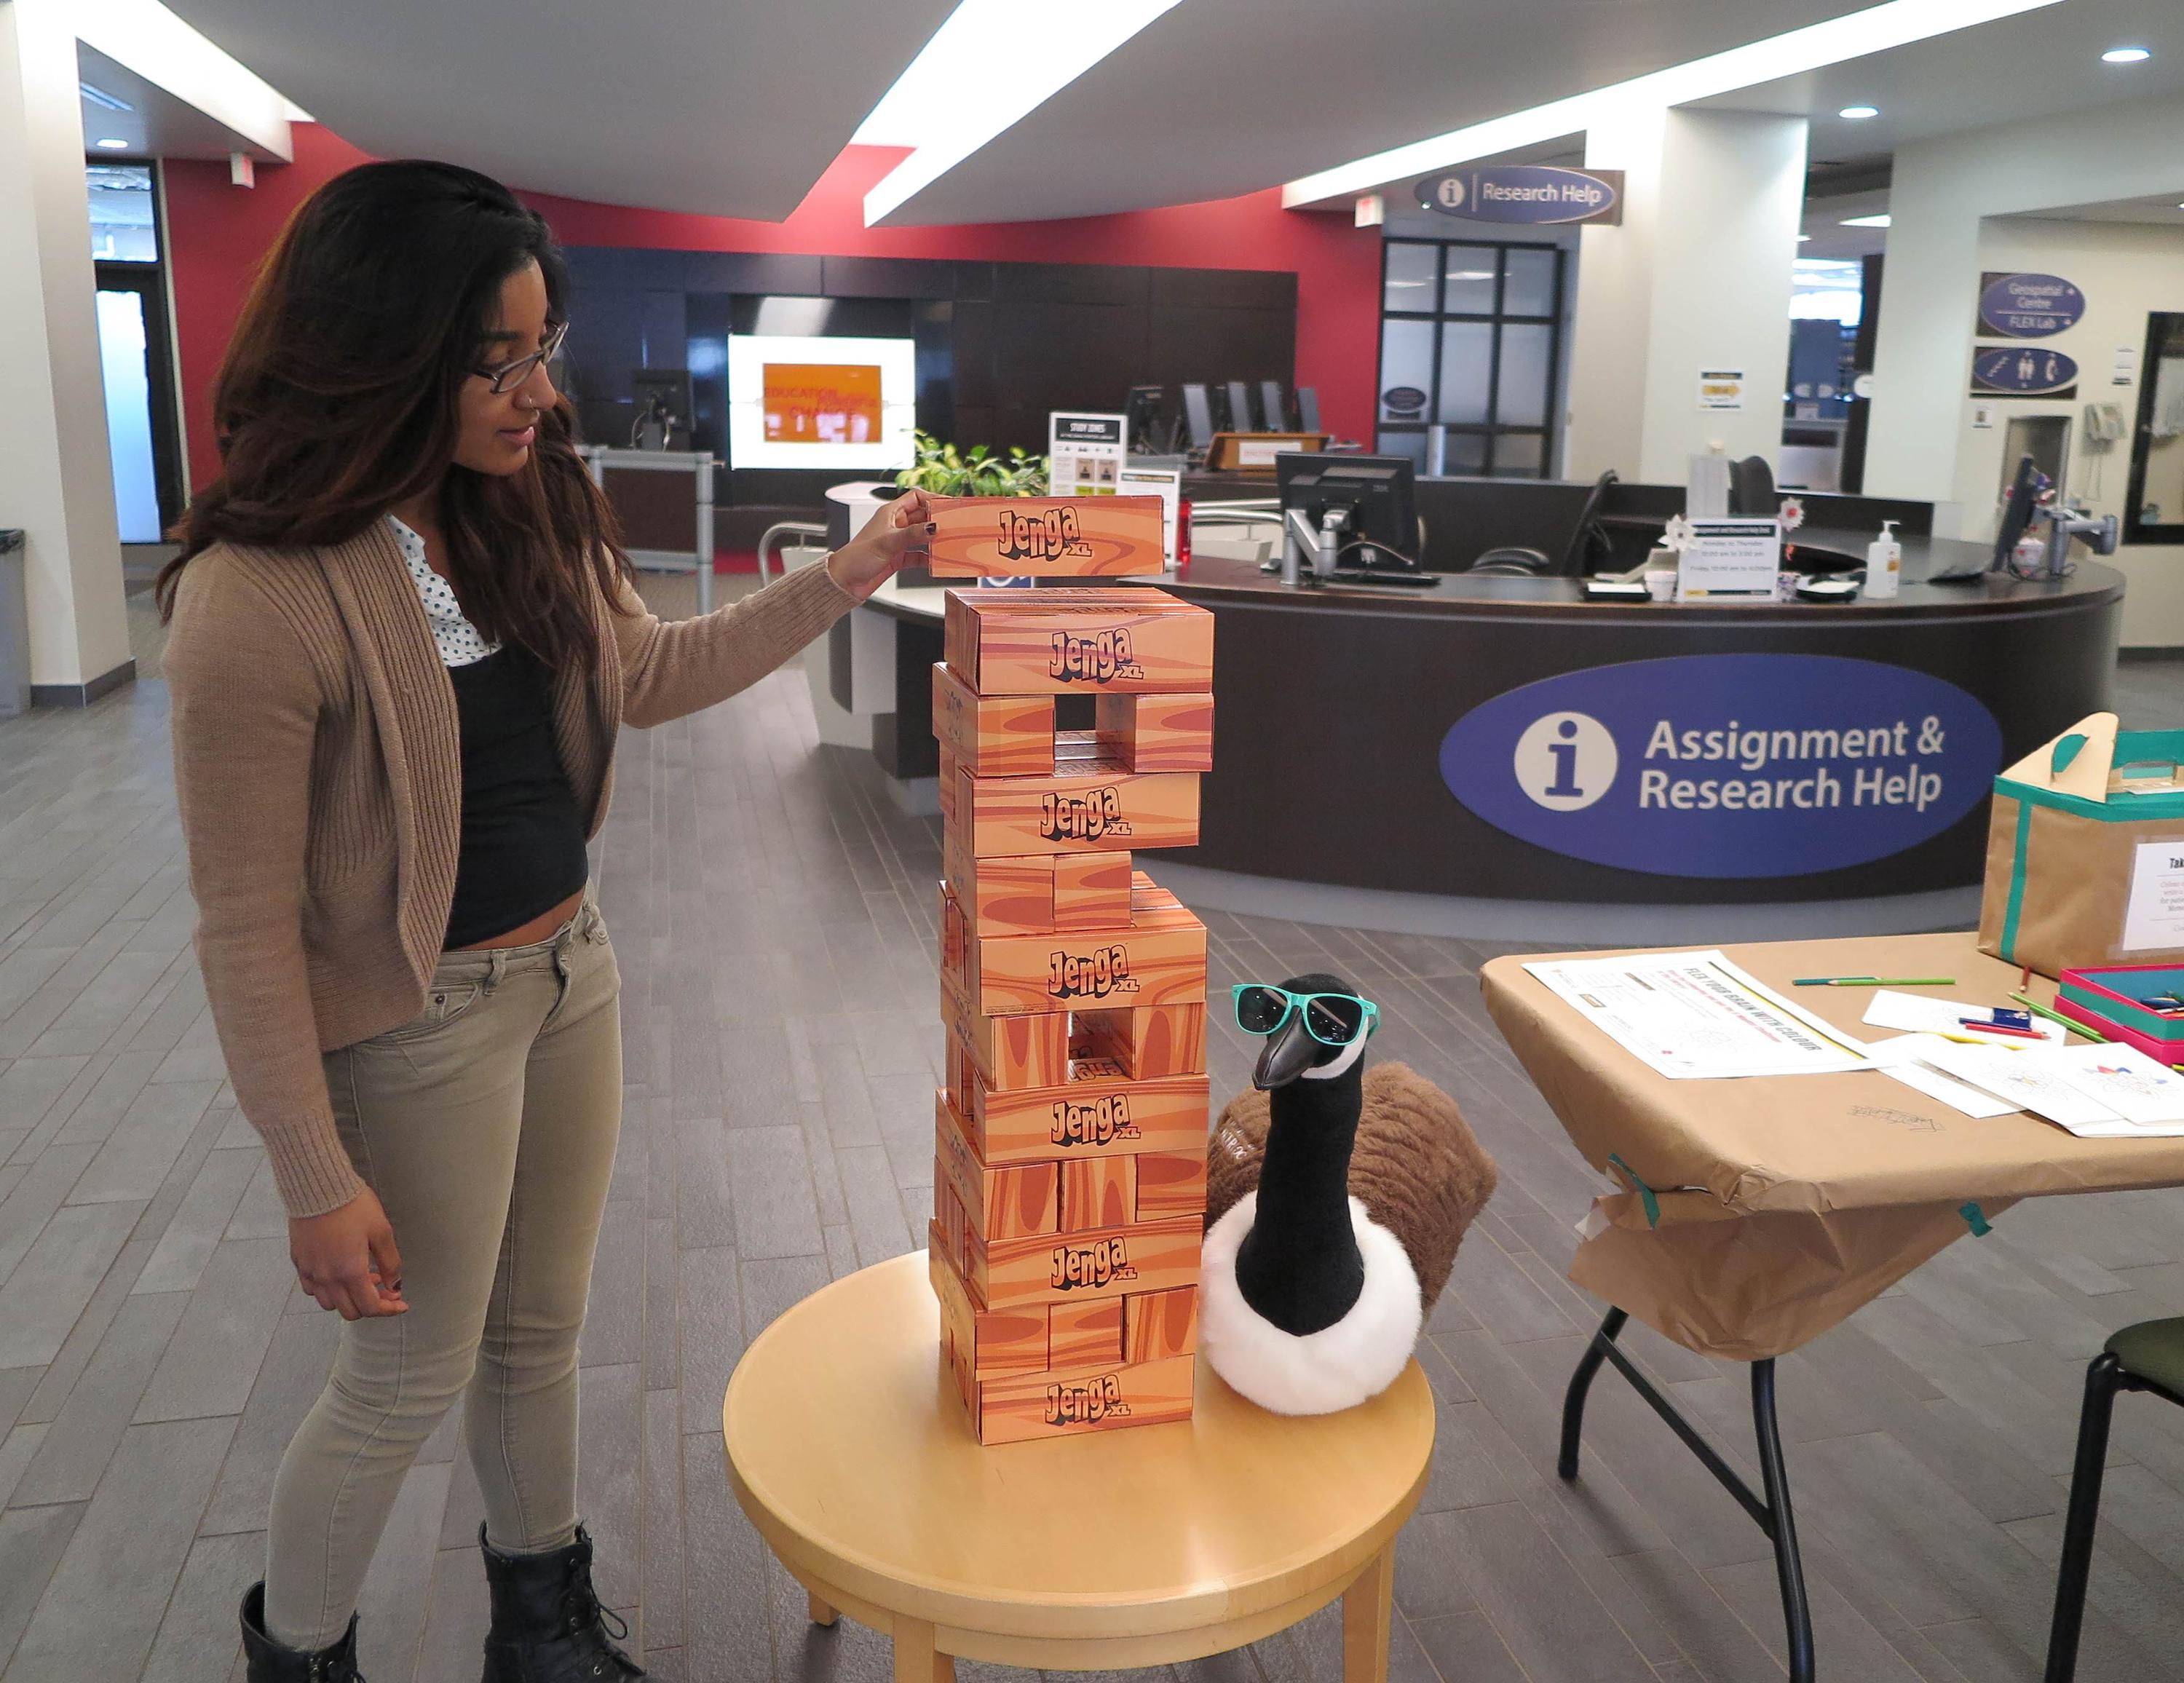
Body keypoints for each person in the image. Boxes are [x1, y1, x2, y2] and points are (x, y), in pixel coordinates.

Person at [157, 160, 932, 1683]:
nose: (539, 392)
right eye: (494, 359)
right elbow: (243, 927)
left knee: (539, 1335)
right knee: (404, 1374)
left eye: (542, 348)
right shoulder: (258, 593)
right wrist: (314, 1173)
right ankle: (299, 1658)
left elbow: (647, 675)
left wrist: (843, 578)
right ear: (381, 357)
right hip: (416, 1023)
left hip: (574, 976)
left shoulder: (531, 502)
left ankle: (543, 1632)